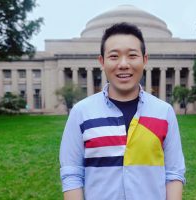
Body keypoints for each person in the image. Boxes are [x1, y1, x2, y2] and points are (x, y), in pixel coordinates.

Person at [59, 22, 186, 200]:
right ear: (102, 62)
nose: (124, 64)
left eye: (132, 55)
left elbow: (174, 173)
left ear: (145, 60)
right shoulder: (81, 112)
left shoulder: (164, 112)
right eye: (114, 56)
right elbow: (72, 174)